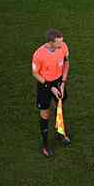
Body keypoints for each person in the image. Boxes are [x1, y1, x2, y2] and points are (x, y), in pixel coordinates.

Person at [32, 29, 71, 157]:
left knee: (60, 105)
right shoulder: (38, 54)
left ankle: (60, 133)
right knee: (45, 113)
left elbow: (66, 62)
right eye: (59, 42)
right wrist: (50, 87)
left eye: (62, 41)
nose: (62, 44)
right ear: (50, 42)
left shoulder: (63, 46)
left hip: (59, 81)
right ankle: (45, 144)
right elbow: (35, 73)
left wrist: (63, 82)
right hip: (45, 84)